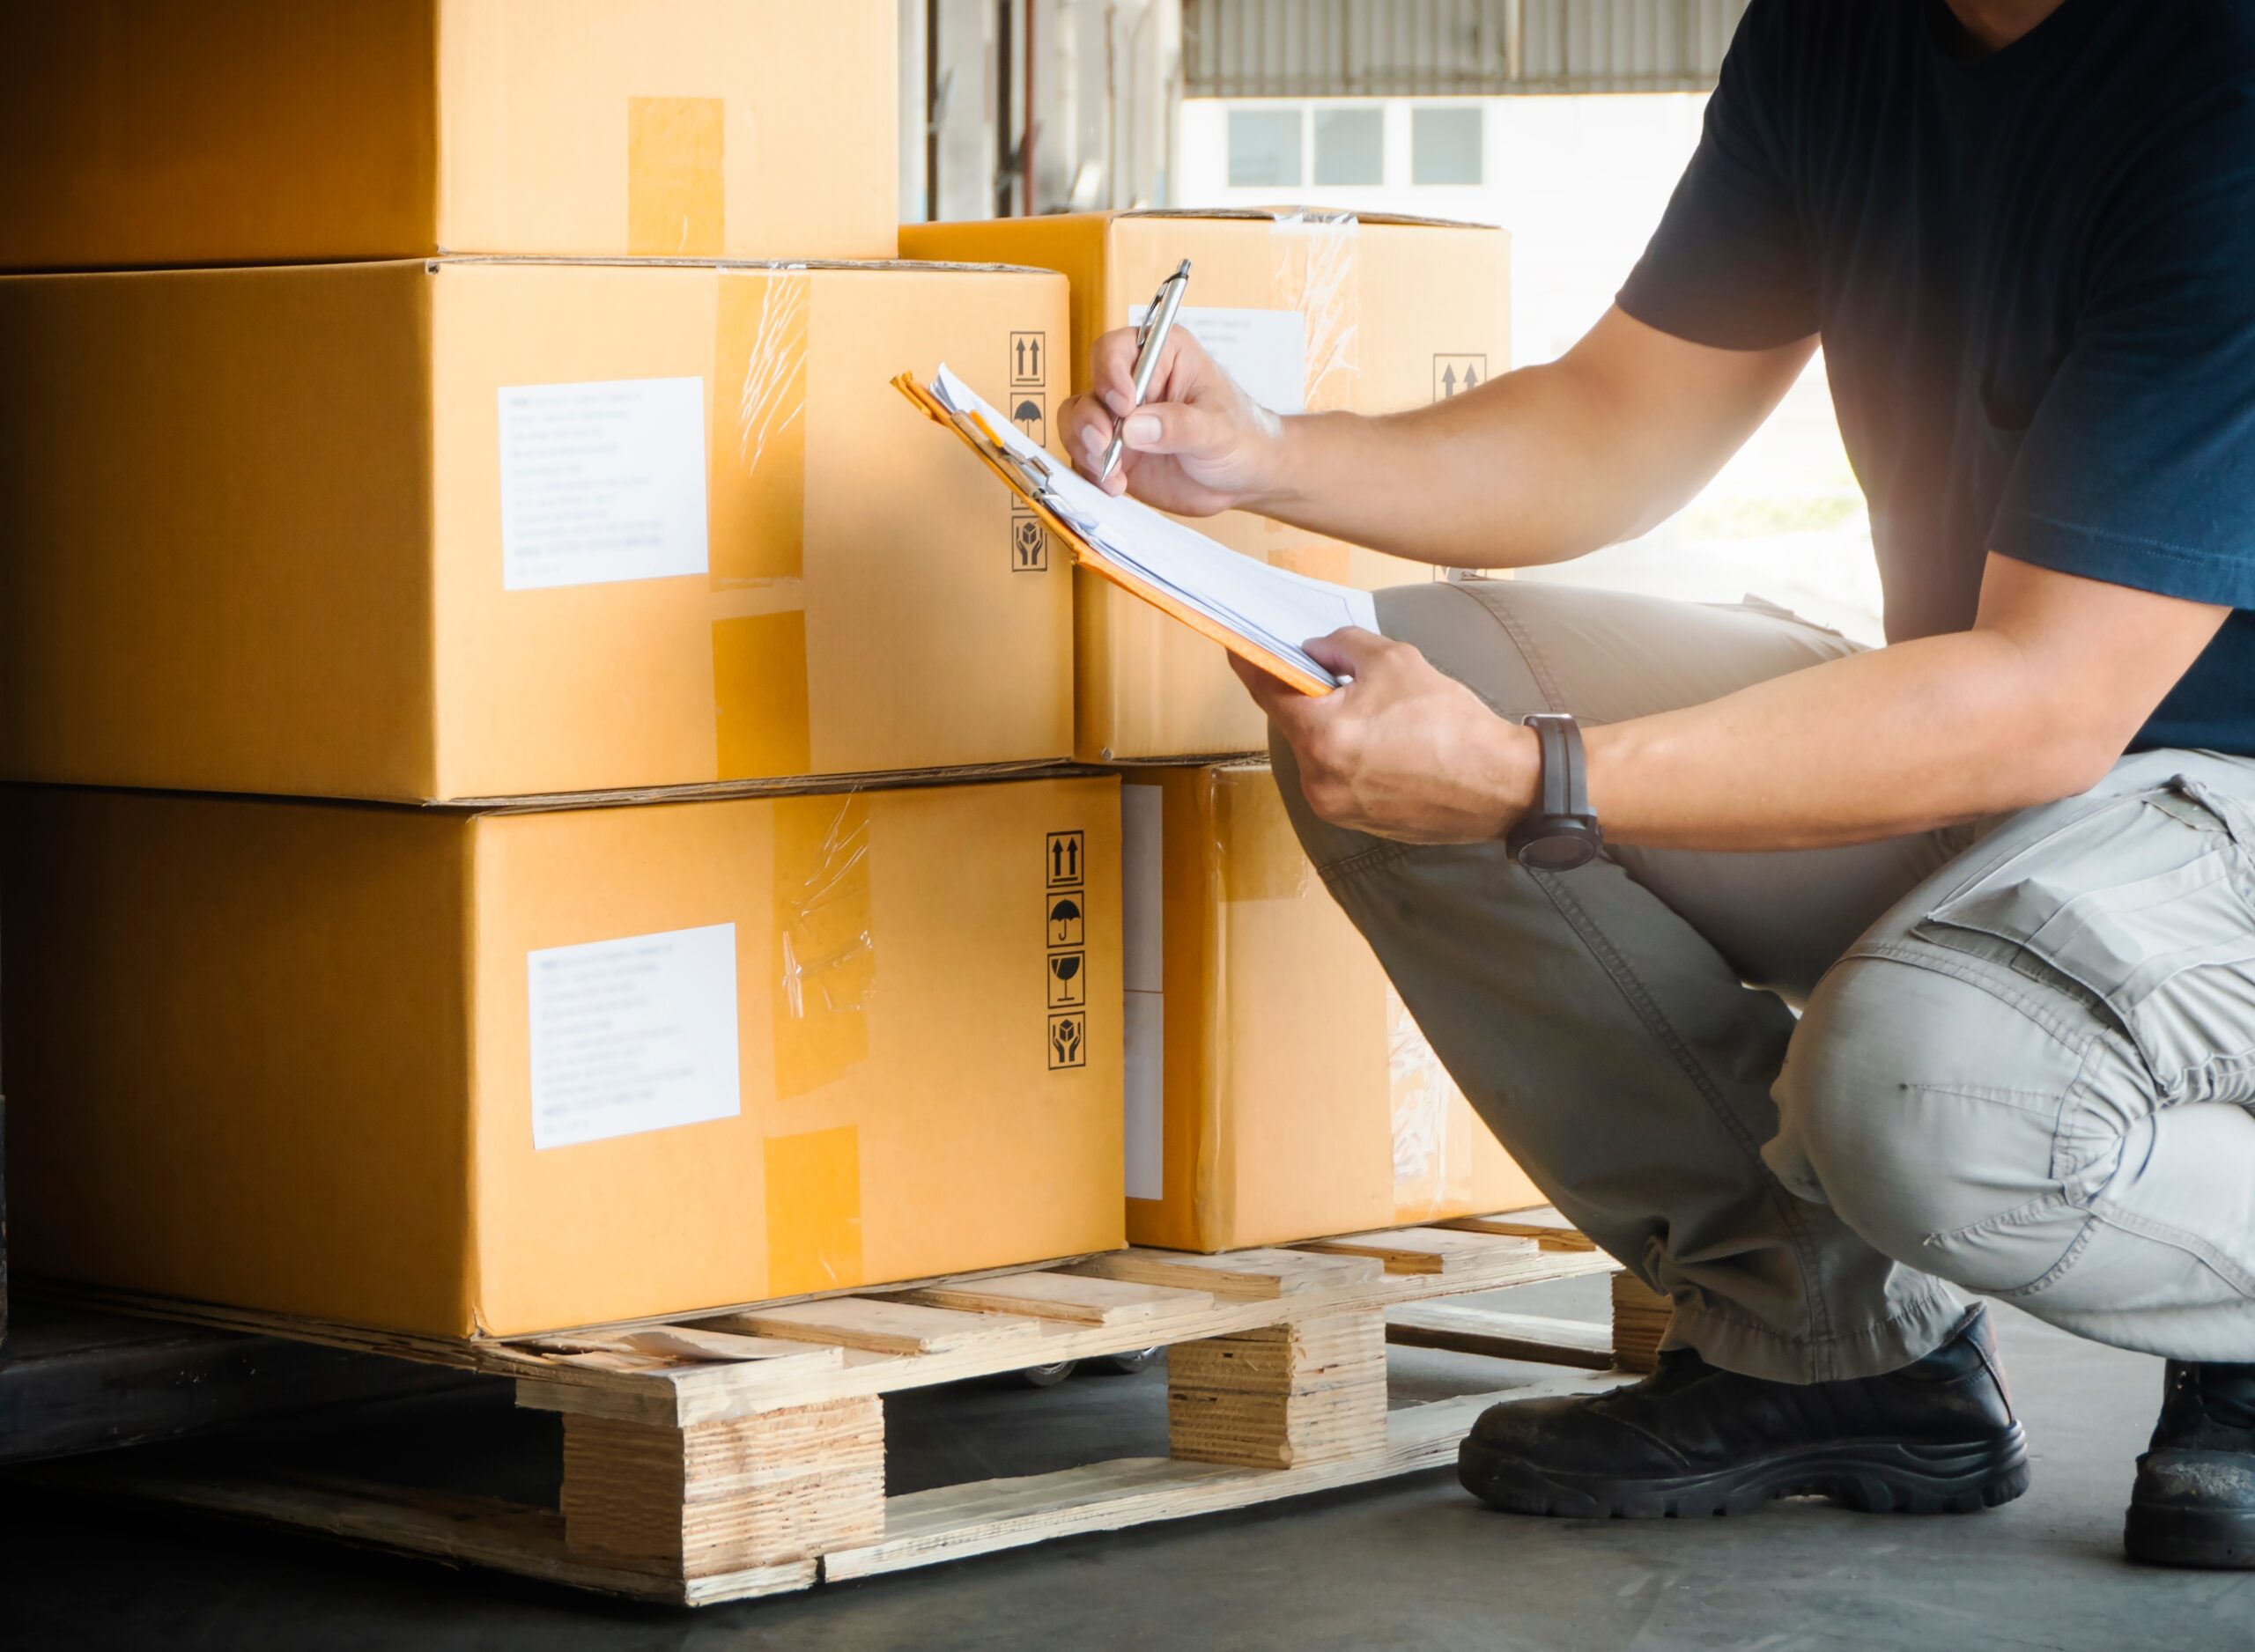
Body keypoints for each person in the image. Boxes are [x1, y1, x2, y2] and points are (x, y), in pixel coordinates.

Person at [1060, 0, 2255, 1568]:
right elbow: (1615, 427)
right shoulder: (1842, 36)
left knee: (1923, 1092)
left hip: (2191, 782)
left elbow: (2044, 701)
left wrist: (1528, 777)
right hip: (2031, 760)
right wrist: (1264, 456)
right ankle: (1834, 1348)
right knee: (1358, 687)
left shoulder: (2221, 87)